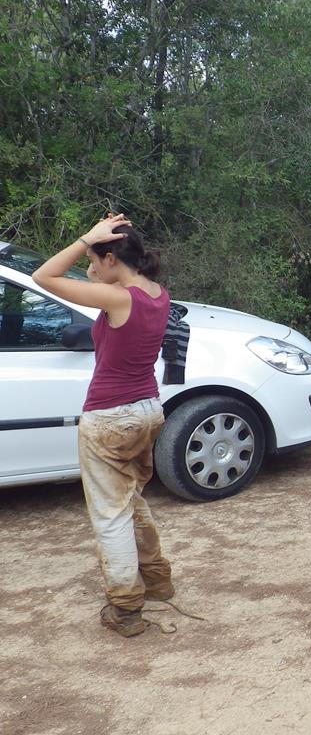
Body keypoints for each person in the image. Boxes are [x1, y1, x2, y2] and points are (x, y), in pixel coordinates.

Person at [32, 214, 175, 637]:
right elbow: (103, 279)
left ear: (111, 259)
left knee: (111, 515)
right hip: (147, 409)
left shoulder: (118, 299)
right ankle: (158, 578)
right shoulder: (155, 293)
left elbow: (44, 276)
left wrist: (84, 240)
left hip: (110, 417)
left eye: (96, 260)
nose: (89, 269)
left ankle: (127, 608)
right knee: (131, 501)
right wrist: (99, 245)